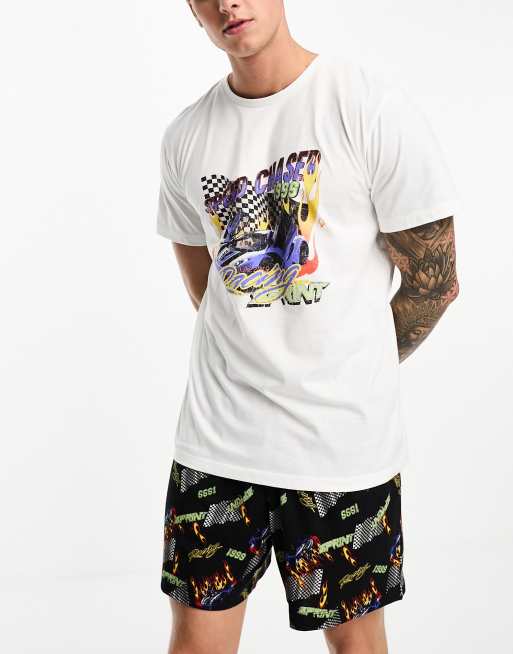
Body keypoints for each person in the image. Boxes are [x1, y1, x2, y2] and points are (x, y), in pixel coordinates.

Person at [156, 1, 461, 652]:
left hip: (340, 447)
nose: (227, 3)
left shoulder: (364, 105)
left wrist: (354, 361)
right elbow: (208, 286)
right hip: (217, 442)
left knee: (356, 643)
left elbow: (435, 282)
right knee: (195, 642)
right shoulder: (187, 135)